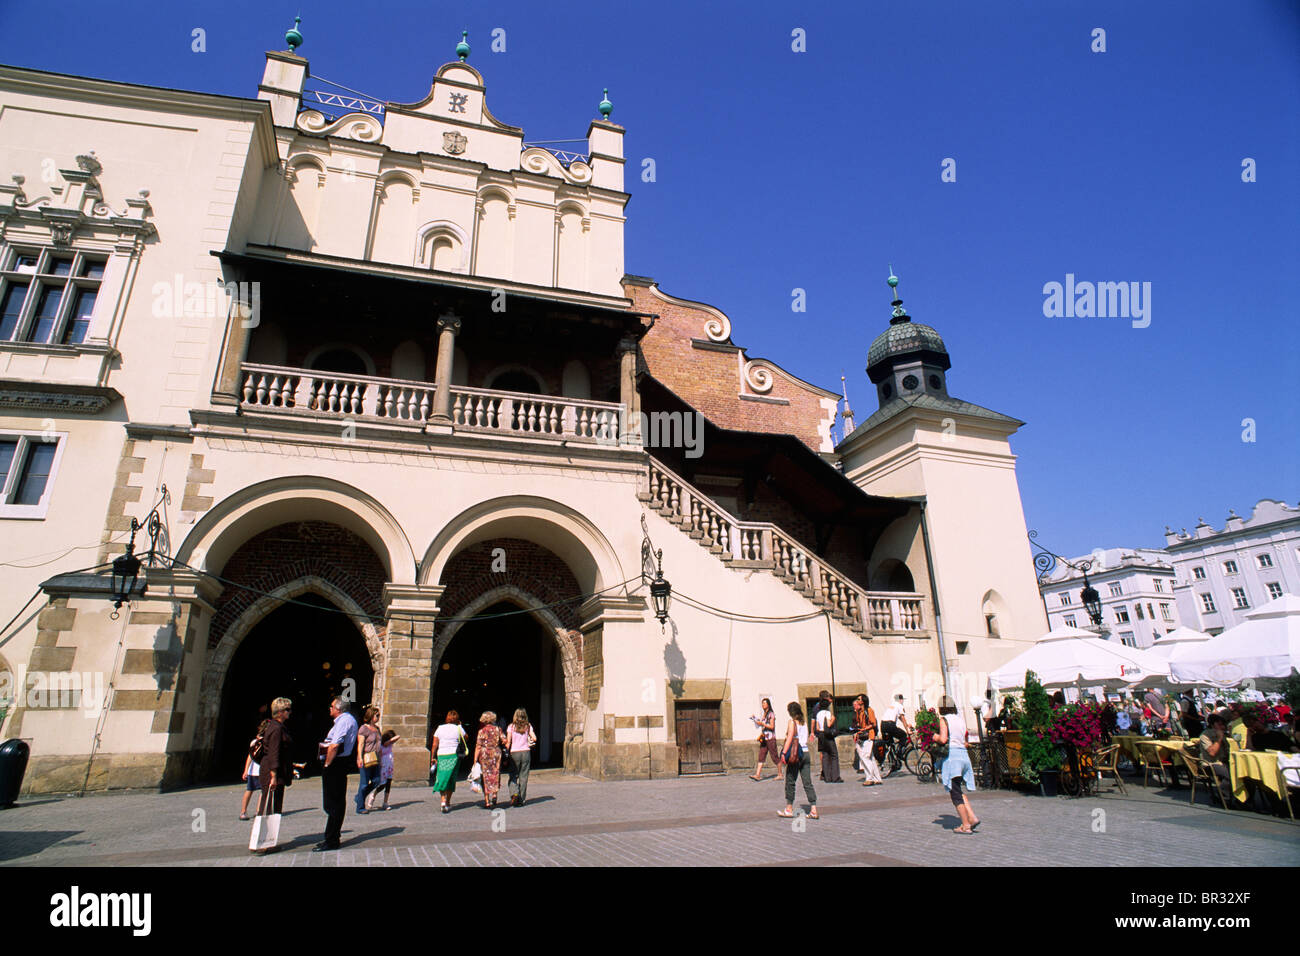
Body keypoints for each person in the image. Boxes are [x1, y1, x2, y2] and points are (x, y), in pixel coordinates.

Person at [316, 695, 357, 851]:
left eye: (332, 706)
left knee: (333, 803)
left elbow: (334, 745)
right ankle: (331, 837)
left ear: (338, 709)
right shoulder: (346, 720)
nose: (330, 708)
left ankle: (332, 840)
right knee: (335, 802)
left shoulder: (344, 721)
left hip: (336, 764)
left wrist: (327, 763)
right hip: (339, 764)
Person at [252, 698, 293, 854]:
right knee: (270, 807)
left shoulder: (275, 726)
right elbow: (274, 752)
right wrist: (274, 775)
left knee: (270, 806)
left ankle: (265, 840)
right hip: (272, 772)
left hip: (271, 770)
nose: (290, 712)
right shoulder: (276, 729)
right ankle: (263, 843)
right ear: (281, 712)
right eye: (288, 709)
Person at [937, 696, 979, 834]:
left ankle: (966, 825)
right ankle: (972, 817)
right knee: (959, 790)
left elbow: (943, 739)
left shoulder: (944, 720)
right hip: (964, 756)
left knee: (954, 793)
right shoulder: (960, 720)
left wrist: (934, 737)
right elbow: (965, 741)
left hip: (953, 758)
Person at [777, 701, 818, 819]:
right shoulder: (804, 723)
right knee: (807, 782)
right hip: (805, 752)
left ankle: (789, 808)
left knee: (790, 780)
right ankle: (813, 808)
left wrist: (784, 753)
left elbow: (790, 737)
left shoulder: (792, 722)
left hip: (796, 754)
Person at [431, 709, 468, 813]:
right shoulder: (458, 728)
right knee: (451, 778)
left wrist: (433, 757)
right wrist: (460, 726)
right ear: (457, 719)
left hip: (442, 754)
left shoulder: (440, 728)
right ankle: (448, 802)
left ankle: (443, 800)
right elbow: (466, 738)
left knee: (442, 777)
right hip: (454, 755)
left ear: (447, 717)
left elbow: (434, 744)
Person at [473, 710, 507, 809]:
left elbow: (478, 746)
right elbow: (505, 740)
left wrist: (475, 760)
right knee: (496, 773)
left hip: (485, 754)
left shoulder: (481, 731)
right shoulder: (498, 729)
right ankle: (495, 794)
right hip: (496, 753)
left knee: (485, 775)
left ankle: (487, 800)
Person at [240, 718, 270, 820]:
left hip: (253, 770)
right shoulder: (268, 742)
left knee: (249, 790)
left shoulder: (254, 741)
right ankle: (258, 811)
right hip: (262, 770)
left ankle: (243, 812)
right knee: (262, 791)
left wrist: (246, 770)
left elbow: (250, 757)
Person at [505, 708, 537, 806]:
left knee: (513, 775)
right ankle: (521, 799)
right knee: (524, 776)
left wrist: (505, 752)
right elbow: (534, 738)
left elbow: (508, 742)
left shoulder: (511, 726)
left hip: (514, 752)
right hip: (526, 752)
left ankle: (514, 793)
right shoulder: (528, 726)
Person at [355, 704, 382, 814]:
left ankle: (359, 797)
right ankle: (360, 807)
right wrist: (359, 758)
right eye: (377, 715)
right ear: (371, 716)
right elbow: (360, 744)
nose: (378, 717)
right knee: (364, 783)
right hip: (366, 757)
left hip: (376, 758)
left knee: (376, 781)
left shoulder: (377, 729)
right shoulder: (363, 728)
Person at [852, 694, 881, 786]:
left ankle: (870, 778)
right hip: (863, 736)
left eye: (859, 699)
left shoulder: (869, 710)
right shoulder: (859, 712)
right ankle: (877, 778)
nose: (858, 700)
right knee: (870, 757)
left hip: (869, 735)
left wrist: (864, 729)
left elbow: (873, 724)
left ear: (863, 701)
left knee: (865, 757)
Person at [814, 690, 842, 783]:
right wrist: (833, 718)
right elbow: (829, 724)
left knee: (825, 755)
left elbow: (817, 727)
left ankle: (827, 777)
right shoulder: (828, 713)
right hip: (828, 735)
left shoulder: (818, 714)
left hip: (821, 735)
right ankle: (835, 776)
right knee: (834, 755)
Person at [367, 729, 399, 811]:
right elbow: (381, 753)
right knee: (382, 784)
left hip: (389, 765)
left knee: (388, 783)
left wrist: (391, 740)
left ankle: (385, 802)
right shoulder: (382, 745)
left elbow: (398, 737)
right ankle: (373, 795)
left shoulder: (390, 745)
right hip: (383, 765)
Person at [749, 698, 780, 781]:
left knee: (774, 756)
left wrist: (763, 724)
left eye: (764, 703)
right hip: (764, 738)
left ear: (768, 704)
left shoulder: (771, 714)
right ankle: (757, 774)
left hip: (770, 738)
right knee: (761, 755)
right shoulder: (764, 714)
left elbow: (772, 726)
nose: (763, 705)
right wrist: (756, 720)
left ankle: (780, 774)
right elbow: (762, 724)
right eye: (762, 703)